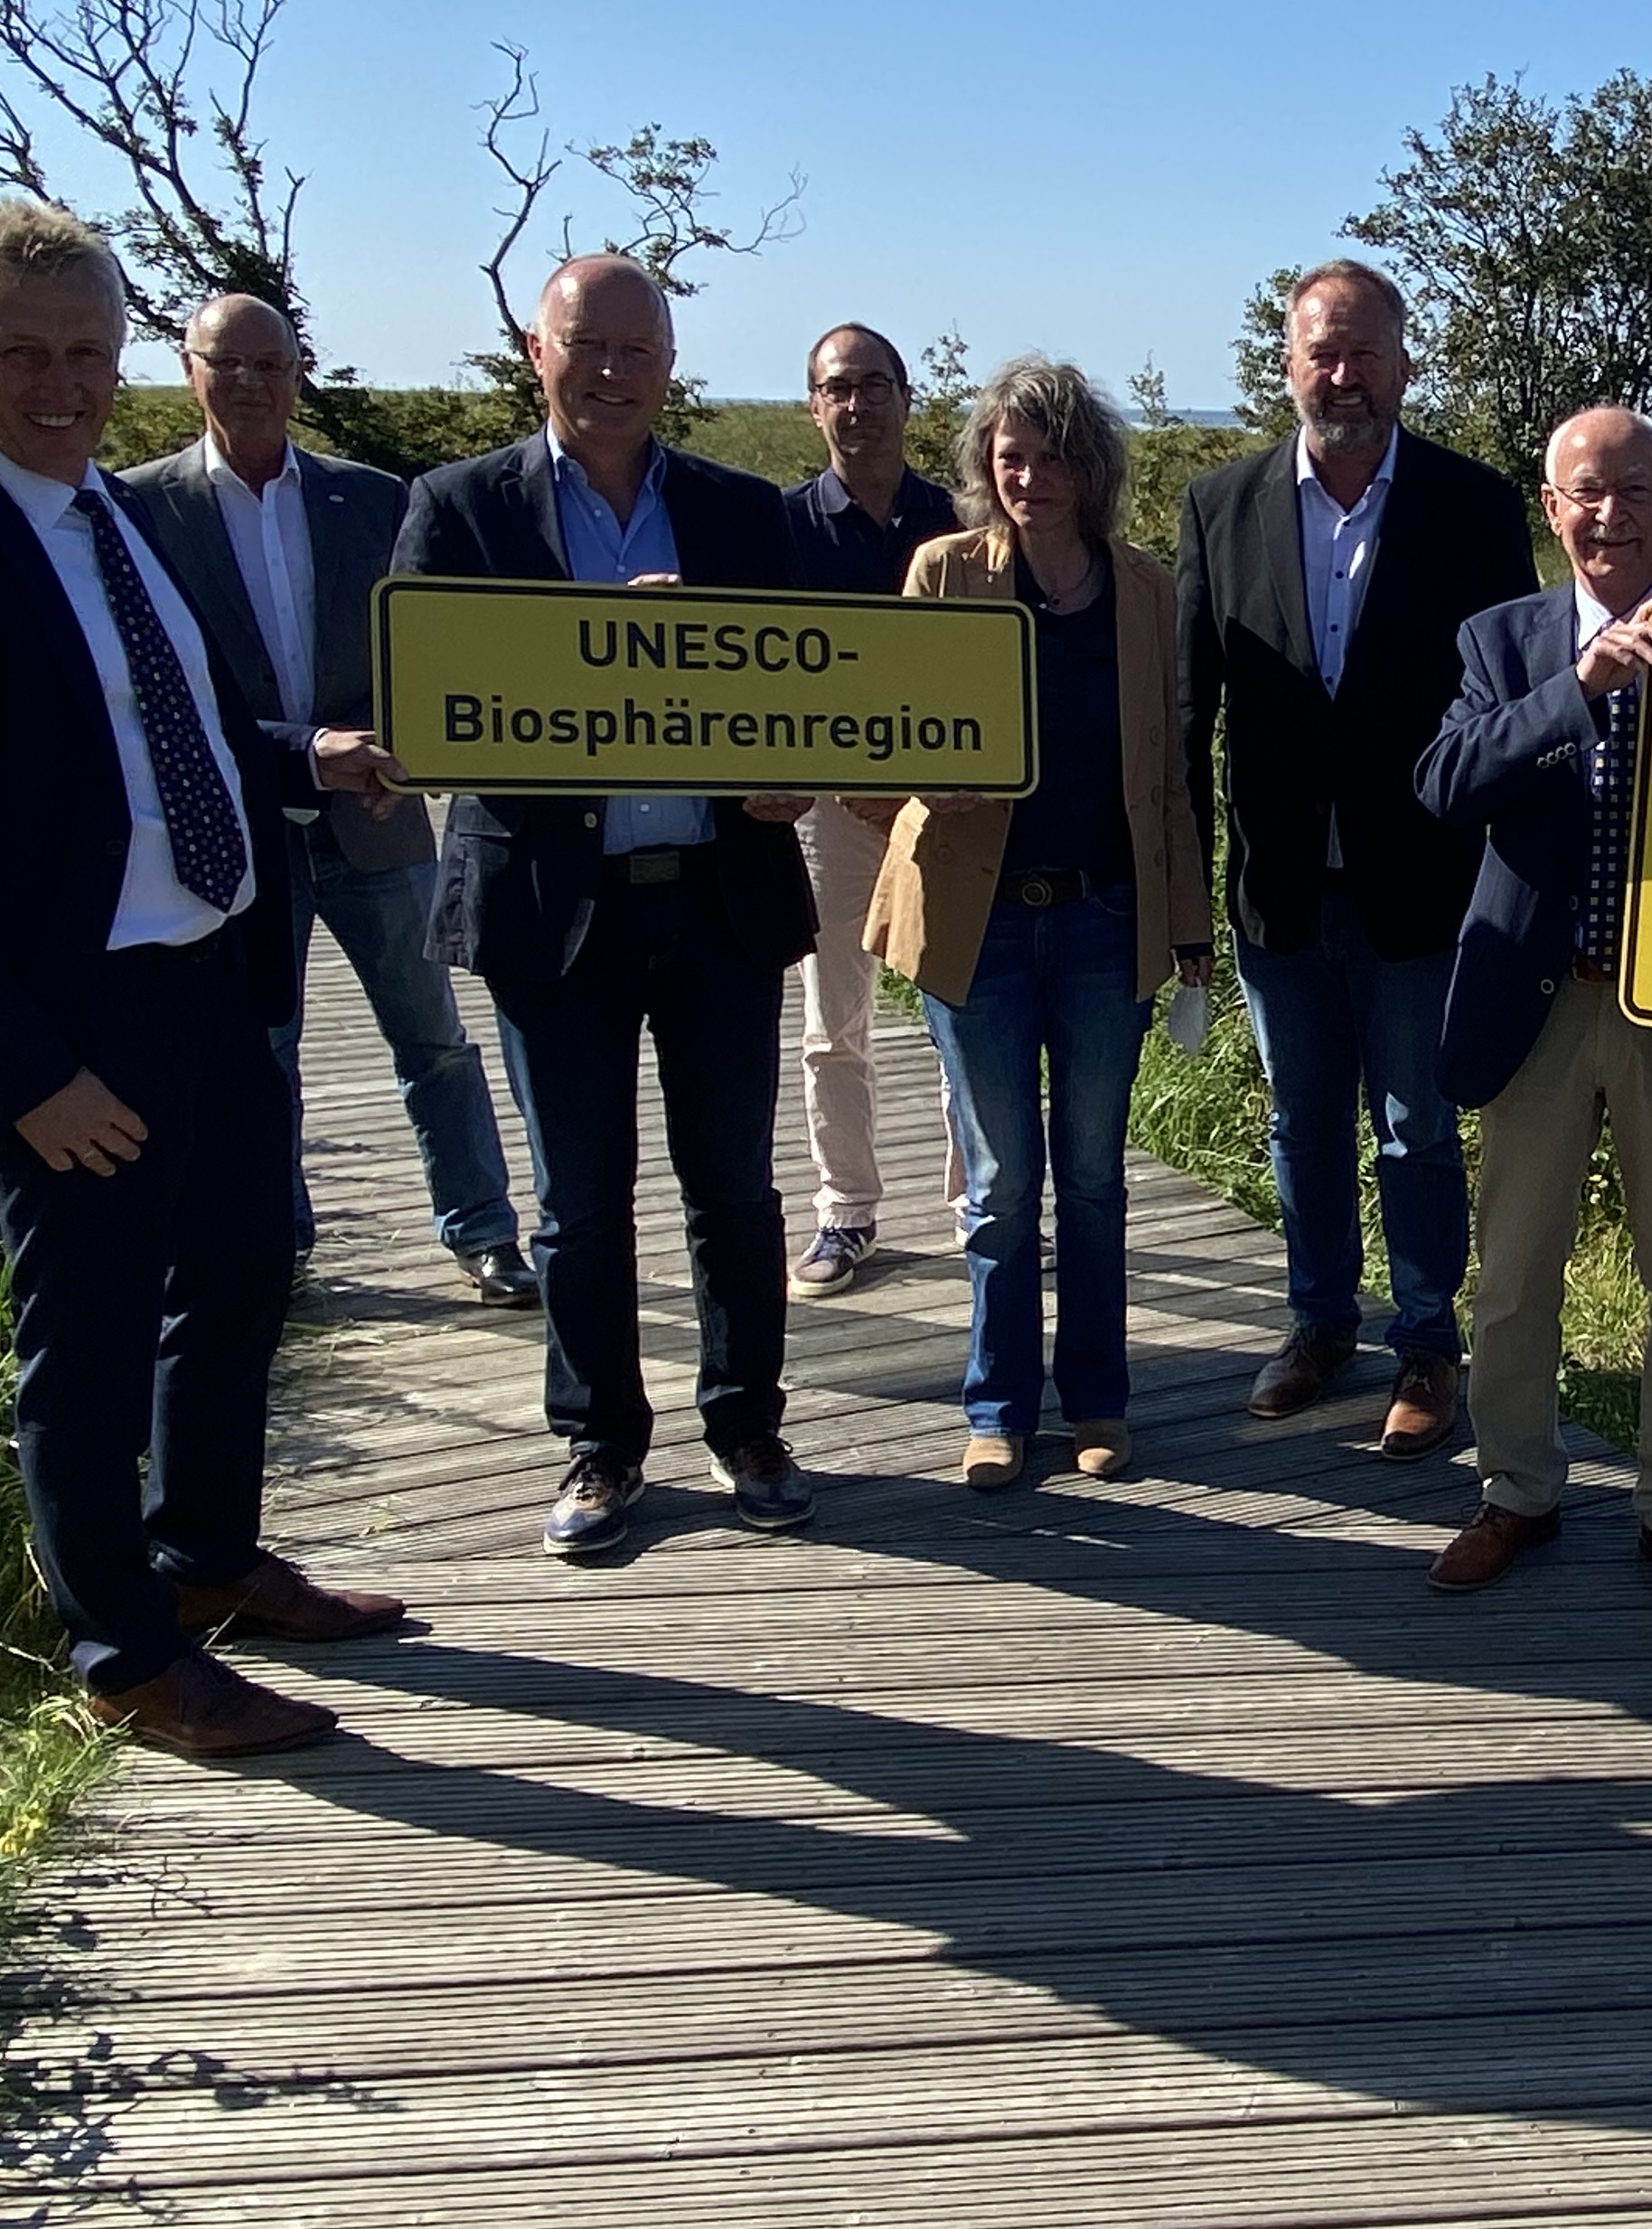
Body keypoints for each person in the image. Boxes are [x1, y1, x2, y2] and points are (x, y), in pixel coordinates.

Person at [0, 200, 406, 1758]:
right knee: (84, 1342)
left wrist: (309, 757)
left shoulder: (117, 519)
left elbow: (174, 732)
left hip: (212, 973)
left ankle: (206, 1558)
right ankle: (126, 1654)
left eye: (90, 351)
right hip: (71, 1023)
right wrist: (26, 1078)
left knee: (242, 1274)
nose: (65, 384)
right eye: (24, 353)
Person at [393, 255, 820, 1558]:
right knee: (579, 1202)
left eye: (641, 351)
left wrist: (790, 774)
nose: (615, 373)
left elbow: (804, 698)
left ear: (671, 366)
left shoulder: (742, 512)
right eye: (590, 346)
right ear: (540, 351)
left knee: (735, 1191)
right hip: (551, 910)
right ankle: (600, 1445)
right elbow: (425, 711)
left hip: (718, 900)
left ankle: (747, 1425)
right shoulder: (458, 507)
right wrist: (593, 654)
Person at [1413, 407, 1652, 1623]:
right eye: (1587, 492)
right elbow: (1446, 784)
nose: (1610, 514)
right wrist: (1578, 688)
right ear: (1551, 508)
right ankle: (1516, 1490)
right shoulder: (1503, 641)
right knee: (1515, 1276)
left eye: (1635, 489)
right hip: (1539, 1001)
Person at [1177, 259, 1536, 1452]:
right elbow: (1187, 710)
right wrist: (1183, 894)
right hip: (1277, 887)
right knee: (1302, 1123)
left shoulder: (1472, 507)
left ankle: (1428, 1343)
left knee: (1416, 1128)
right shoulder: (1218, 506)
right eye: (1322, 353)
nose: (1343, 376)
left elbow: (1510, 708)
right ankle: (1320, 1323)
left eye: (1364, 353)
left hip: (1421, 885)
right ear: (1287, 364)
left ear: (1404, 364)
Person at [123, 295, 531, 1307]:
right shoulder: (139, 507)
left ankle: (484, 1232)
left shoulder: (375, 499)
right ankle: (280, 1242)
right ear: (188, 369)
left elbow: (428, 645)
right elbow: (157, 690)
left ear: (298, 372)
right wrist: (301, 752)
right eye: (227, 363)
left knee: (434, 1039)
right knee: (263, 1050)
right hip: (237, 829)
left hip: (379, 819)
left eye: (270, 363)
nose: (250, 383)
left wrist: (400, 745)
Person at [864, 359, 1209, 1487]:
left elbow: (1169, 776)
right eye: (1011, 457)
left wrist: (1189, 927)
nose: (1030, 477)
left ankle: (1098, 1403)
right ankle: (998, 1406)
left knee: (1095, 1178)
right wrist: (925, 781)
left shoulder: (1146, 589)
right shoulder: (943, 572)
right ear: (985, 466)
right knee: (1004, 1182)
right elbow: (885, 734)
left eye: (1053, 456)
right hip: (982, 925)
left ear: (1091, 468)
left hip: (1107, 919)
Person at [776, 321, 959, 1299]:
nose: (857, 404)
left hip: (944, 810)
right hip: (831, 813)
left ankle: (979, 1204)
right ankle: (845, 1210)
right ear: (815, 406)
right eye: (837, 388)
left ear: (905, 396)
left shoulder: (961, 519)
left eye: (874, 384)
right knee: (831, 1022)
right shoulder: (781, 527)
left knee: (961, 1012)